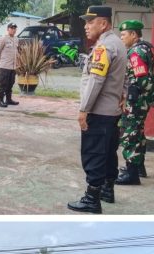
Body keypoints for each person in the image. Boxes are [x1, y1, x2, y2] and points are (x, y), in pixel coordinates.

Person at [68, 5, 125, 213]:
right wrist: (123, 95)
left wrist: (84, 110)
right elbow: (123, 76)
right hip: (112, 111)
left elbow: (95, 80)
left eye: (90, 22)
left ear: (103, 23)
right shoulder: (118, 43)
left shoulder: (104, 47)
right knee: (109, 152)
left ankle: (92, 199)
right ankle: (107, 190)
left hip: (98, 111)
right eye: (85, 22)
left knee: (93, 153)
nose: (86, 26)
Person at [116, 20, 154, 185]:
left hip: (136, 102)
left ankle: (132, 175)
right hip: (142, 101)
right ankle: (139, 168)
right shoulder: (144, 48)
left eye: (124, 34)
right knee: (138, 133)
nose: (121, 37)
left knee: (129, 135)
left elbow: (143, 79)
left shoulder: (136, 52)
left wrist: (132, 96)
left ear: (133, 34)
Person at [0, 23, 20, 107]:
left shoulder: (16, 39)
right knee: (3, 84)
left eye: (15, 28)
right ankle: (0, 101)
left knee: (11, 83)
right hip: (5, 66)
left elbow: (16, 52)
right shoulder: (3, 39)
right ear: (8, 29)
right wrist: (1, 61)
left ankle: (8, 99)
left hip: (13, 66)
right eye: (12, 28)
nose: (13, 29)